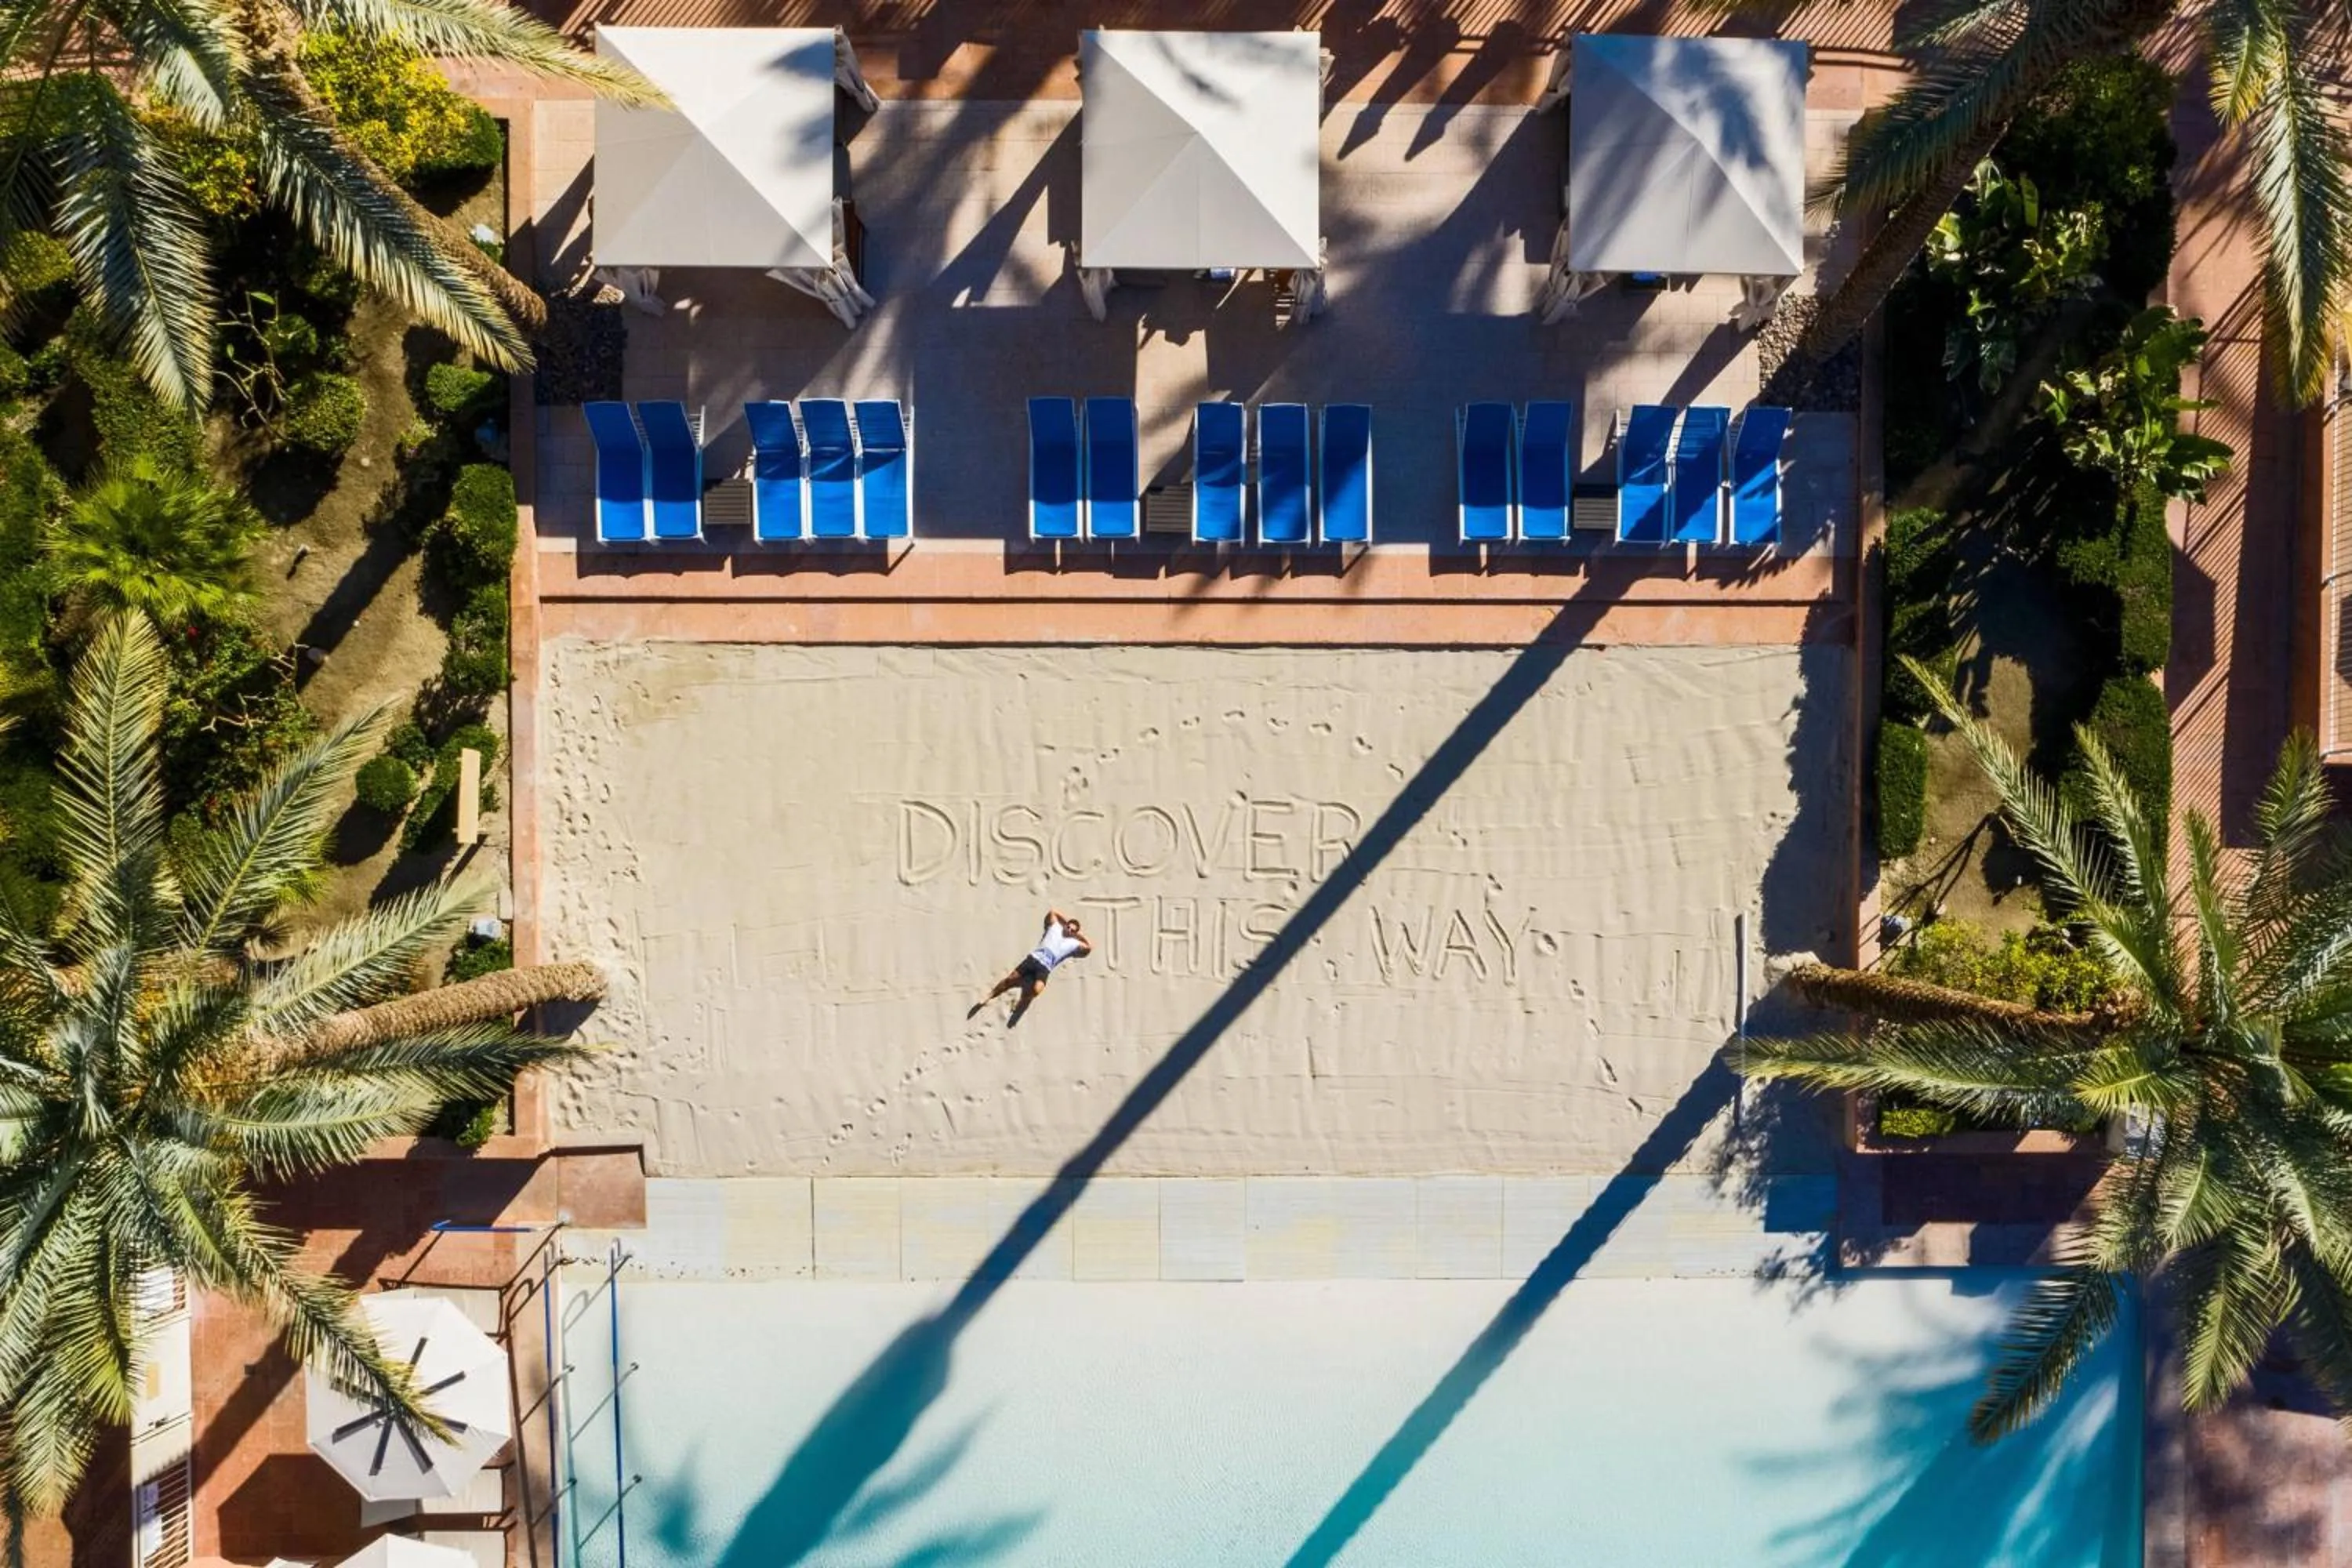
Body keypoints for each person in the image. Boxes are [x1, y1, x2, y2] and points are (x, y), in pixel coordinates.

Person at [972, 909, 1091, 1026]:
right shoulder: (1056, 927)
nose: (1069, 930)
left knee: (1037, 990)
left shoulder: (1073, 943)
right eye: (1068, 927)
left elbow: (1089, 947)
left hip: (1045, 968)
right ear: (1065, 925)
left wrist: (1079, 935)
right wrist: (1066, 922)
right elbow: (1053, 912)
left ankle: (1022, 1001)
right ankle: (989, 995)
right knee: (1010, 979)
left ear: (1074, 933)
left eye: (1072, 930)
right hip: (1033, 959)